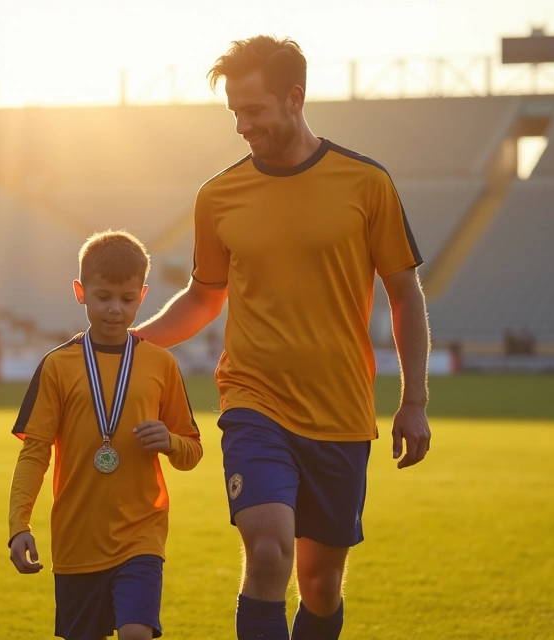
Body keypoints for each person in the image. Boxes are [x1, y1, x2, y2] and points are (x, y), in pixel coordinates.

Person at [133, 36, 431, 640]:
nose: (242, 126)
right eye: (234, 113)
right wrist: (130, 343)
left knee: (320, 586)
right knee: (268, 554)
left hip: (341, 414)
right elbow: (203, 297)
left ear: (295, 99)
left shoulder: (367, 183)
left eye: (255, 111)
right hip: (254, 402)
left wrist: (415, 401)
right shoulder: (217, 197)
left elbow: (405, 294)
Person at [8, 230, 203, 640]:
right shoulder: (57, 366)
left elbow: (192, 451)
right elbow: (35, 453)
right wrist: (18, 525)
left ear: (143, 296)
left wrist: (169, 441)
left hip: (141, 535)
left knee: (137, 632)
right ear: (80, 292)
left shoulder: (161, 364)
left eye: (127, 299)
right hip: (77, 540)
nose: (115, 309)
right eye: (103, 297)